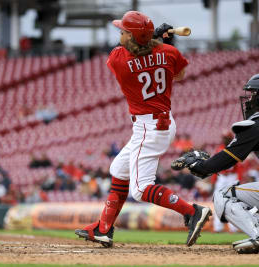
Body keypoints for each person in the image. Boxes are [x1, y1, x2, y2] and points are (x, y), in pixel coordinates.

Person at [75, 11, 212, 248]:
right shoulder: (169, 52)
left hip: (149, 127)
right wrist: (161, 43)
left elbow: (128, 53)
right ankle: (103, 228)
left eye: (124, 31)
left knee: (140, 190)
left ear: (134, 36)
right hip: (162, 121)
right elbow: (177, 74)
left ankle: (192, 211)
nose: (120, 34)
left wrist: (154, 39)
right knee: (118, 168)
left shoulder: (120, 59)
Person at [171, 72, 259, 253]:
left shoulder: (257, 124)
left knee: (223, 195)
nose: (250, 99)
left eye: (253, 93)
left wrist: (196, 164)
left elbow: (216, 165)